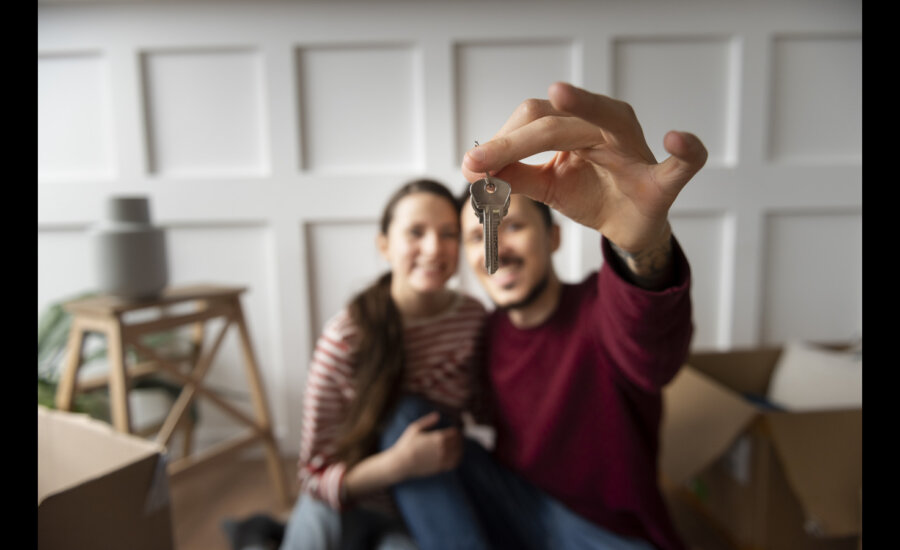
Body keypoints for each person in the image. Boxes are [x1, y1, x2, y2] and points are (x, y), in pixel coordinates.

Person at [446, 82, 707, 550]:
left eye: (516, 226)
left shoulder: (599, 306)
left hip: (604, 533)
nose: (497, 248)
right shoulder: (482, 333)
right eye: (479, 235)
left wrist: (642, 246)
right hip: (519, 510)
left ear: (554, 239)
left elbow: (653, 352)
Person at [278, 179, 493, 550]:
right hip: (345, 502)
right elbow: (314, 477)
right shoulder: (346, 337)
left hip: (419, 507)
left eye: (448, 234)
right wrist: (399, 464)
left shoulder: (474, 321)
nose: (433, 248)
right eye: (415, 232)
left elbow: (487, 410)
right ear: (384, 246)